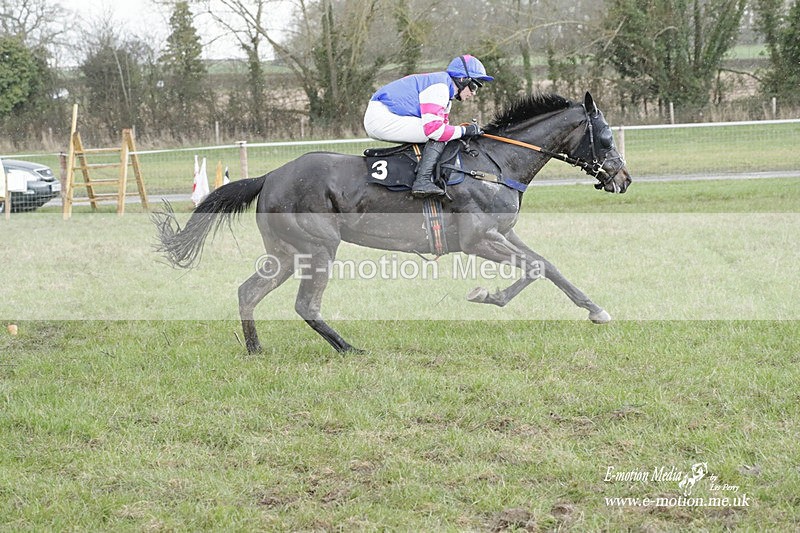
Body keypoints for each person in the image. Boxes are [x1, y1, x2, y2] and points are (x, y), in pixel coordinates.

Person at [363, 55, 494, 198]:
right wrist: (465, 130)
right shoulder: (440, 88)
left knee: (442, 132)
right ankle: (422, 181)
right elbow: (436, 131)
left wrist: (462, 131)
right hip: (381, 117)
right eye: (474, 86)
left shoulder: (446, 92)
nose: (474, 93)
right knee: (437, 134)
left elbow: (444, 128)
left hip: (384, 116)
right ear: (463, 79)